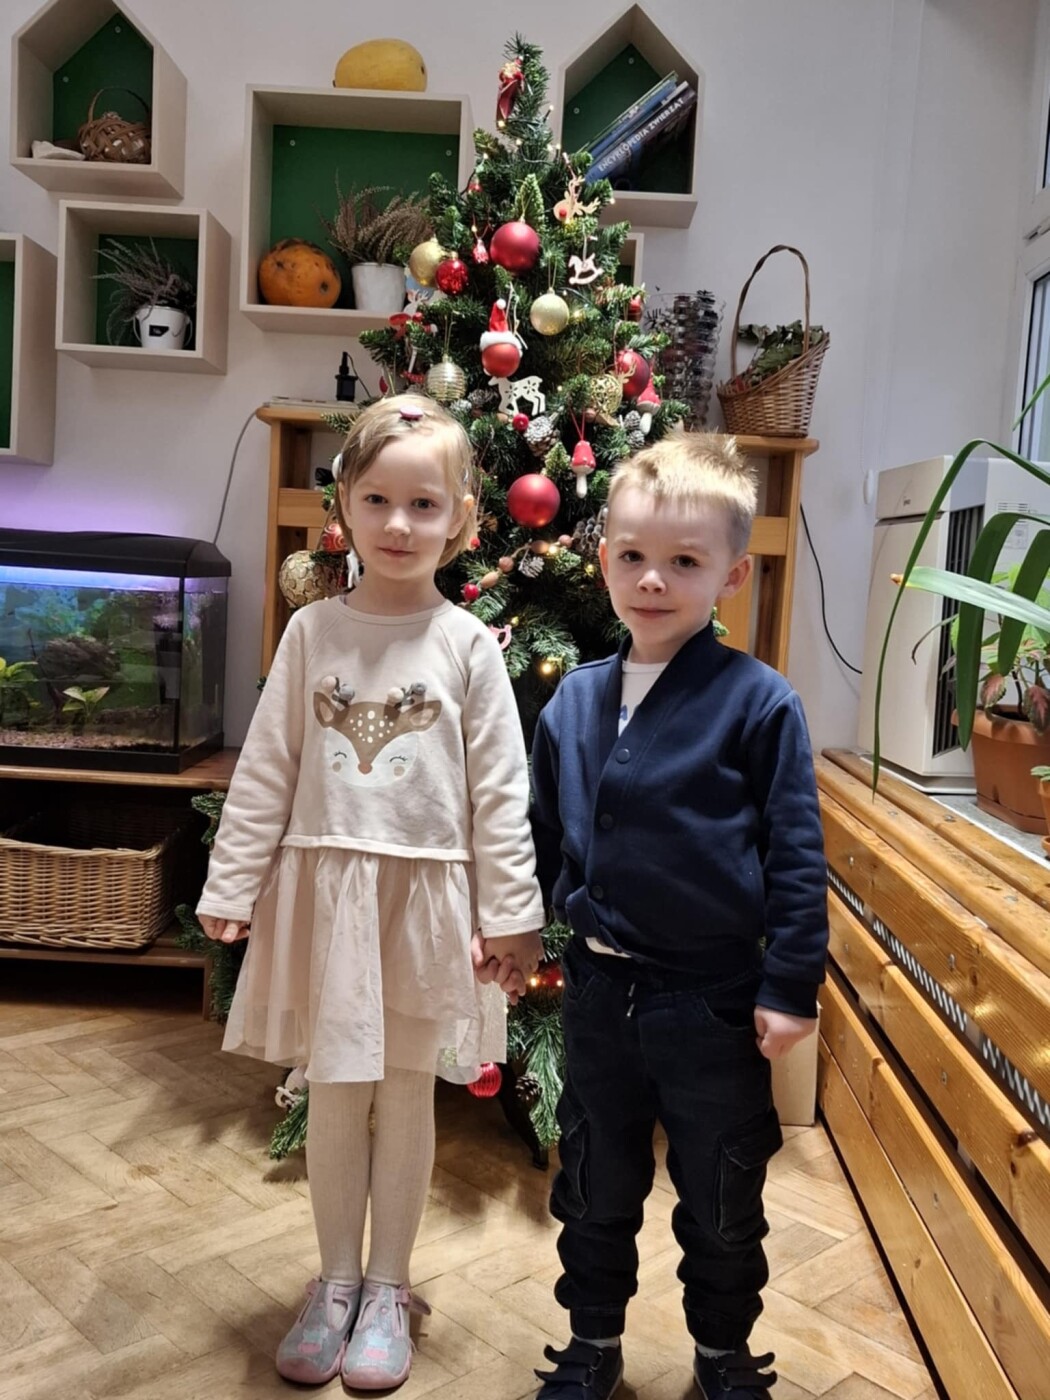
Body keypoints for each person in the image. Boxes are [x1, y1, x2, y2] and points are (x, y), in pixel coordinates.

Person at [196, 394, 544, 1391]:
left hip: (426, 905)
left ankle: (390, 1285)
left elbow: (500, 792)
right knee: (336, 1090)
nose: (399, 523)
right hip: (329, 900)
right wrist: (235, 879)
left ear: (461, 518)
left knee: (405, 1089)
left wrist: (511, 915)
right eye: (379, 499)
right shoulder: (311, 632)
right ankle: (336, 1281)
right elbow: (267, 765)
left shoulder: (468, 644)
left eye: (423, 504)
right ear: (344, 504)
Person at [524, 434, 829, 1400]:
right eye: (633, 556)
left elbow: (796, 855)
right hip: (599, 994)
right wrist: (522, 929)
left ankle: (724, 1353)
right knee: (594, 1180)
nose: (653, 580)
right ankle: (592, 1342)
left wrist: (791, 986)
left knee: (723, 1190)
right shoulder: (573, 701)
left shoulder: (759, 703)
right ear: (603, 558)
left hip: (712, 1003)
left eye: (685, 562)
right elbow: (540, 835)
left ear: (731, 575)